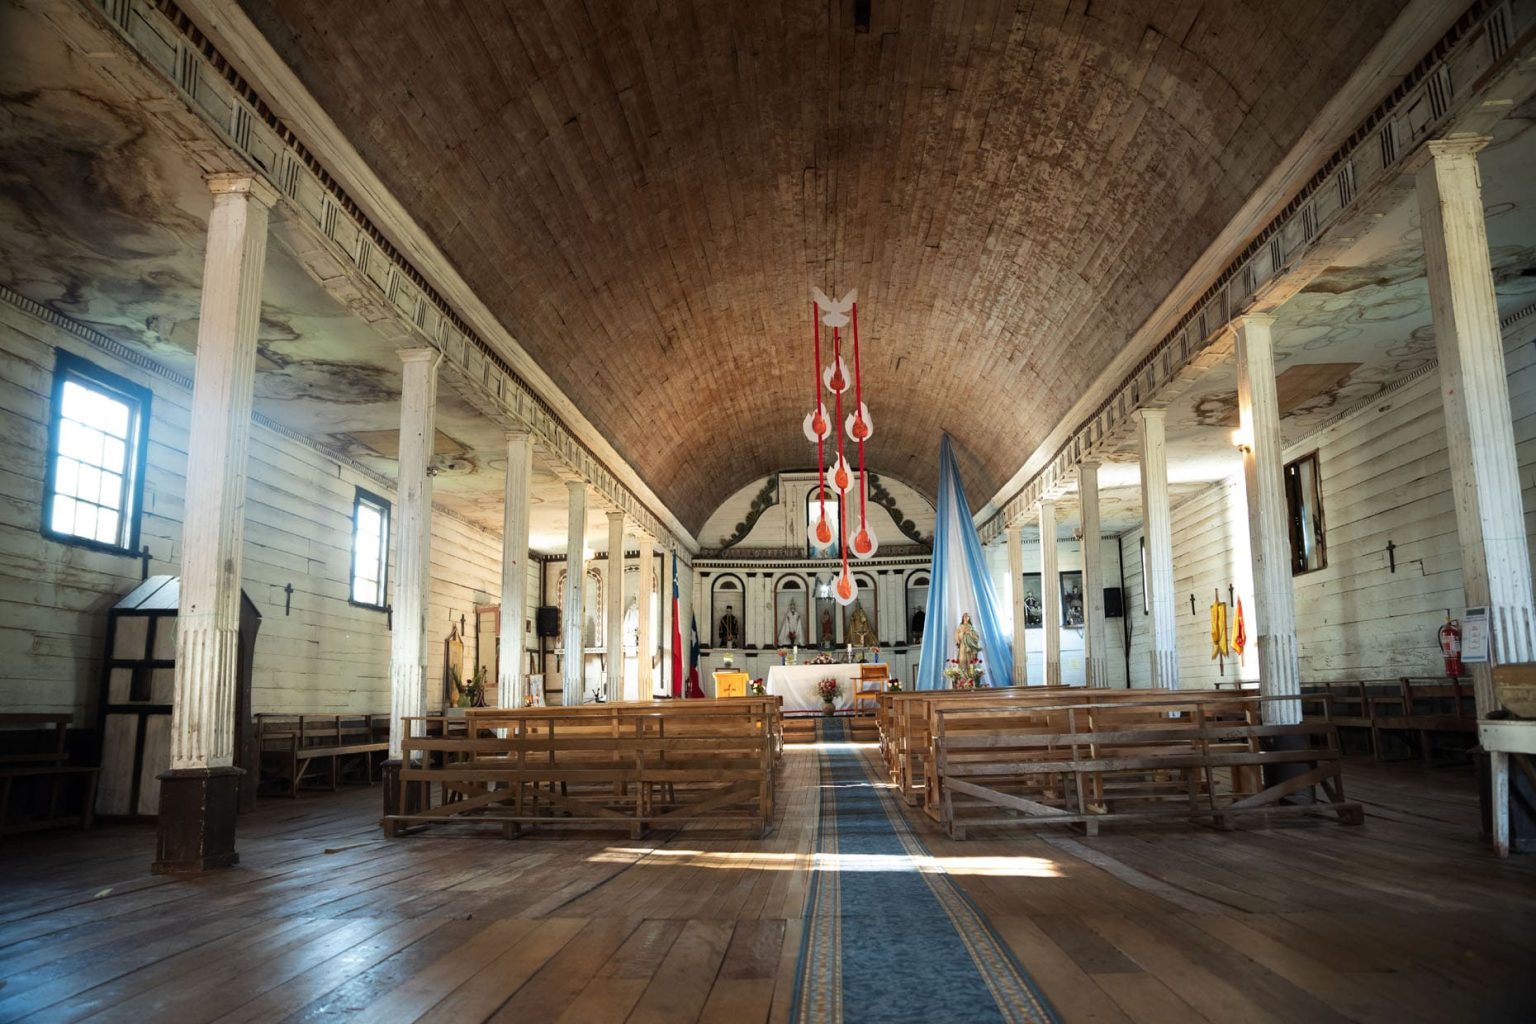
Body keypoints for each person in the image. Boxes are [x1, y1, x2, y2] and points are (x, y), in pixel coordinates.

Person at [954, 612, 981, 676]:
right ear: (962, 618)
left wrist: (970, 633)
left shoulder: (971, 627)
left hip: (970, 646)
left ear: (969, 618)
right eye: (964, 617)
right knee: (962, 659)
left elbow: (976, 636)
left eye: (967, 617)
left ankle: (970, 676)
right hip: (963, 645)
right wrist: (962, 634)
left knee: (970, 661)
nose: (966, 618)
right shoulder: (960, 626)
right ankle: (962, 676)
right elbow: (956, 635)